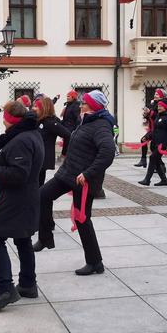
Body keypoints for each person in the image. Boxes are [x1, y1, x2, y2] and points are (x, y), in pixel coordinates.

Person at [35, 90, 116, 276]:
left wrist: (88, 174)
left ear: (94, 106)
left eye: (84, 103)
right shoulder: (86, 120)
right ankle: (46, 238)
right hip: (67, 174)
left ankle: (95, 262)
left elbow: (107, 153)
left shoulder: (101, 125)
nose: (81, 106)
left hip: (82, 181)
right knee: (42, 196)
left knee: (83, 220)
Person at [0, 101, 45, 312]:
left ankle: (6, 289)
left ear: (8, 119)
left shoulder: (21, 139)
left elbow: (19, 173)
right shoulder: (30, 132)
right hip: (27, 196)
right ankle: (27, 284)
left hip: (16, 198)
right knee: (22, 238)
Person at [33, 95, 70, 186]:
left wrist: (64, 153)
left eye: (36, 106)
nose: (34, 108)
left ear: (43, 108)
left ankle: (39, 198)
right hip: (37, 157)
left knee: (38, 184)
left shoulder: (50, 122)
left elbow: (68, 135)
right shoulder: (39, 120)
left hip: (43, 157)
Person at [138, 98, 167, 187]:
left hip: (164, 144)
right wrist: (147, 137)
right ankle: (164, 180)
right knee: (157, 161)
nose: (158, 107)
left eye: (160, 106)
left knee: (152, 157)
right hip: (156, 143)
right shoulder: (159, 116)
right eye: (158, 106)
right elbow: (154, 130)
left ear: (165, 107)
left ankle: (147, 180)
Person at [134, 88, 166, 168]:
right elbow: (151, 116)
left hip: (158, 129)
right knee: (150, 145)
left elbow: (159, 116)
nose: (155, 95)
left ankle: (159, 165)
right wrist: (146, 114)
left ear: (161, 96)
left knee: (152, 146)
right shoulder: (153, 103)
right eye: (155, 94)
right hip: (152, 128)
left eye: (157, 94)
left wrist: (150, 112)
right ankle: (145, 161)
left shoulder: (162, 104)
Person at [60, 90, 81, 156]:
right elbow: (65, 117)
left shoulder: (75, 106)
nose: (67, 98)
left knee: (69, 144)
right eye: (67, 96)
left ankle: (67, 156)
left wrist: (75, 130)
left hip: (71, 129)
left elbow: (77, 119)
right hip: (66, 127)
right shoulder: (68, 105)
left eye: (68, 96)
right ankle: (64, 156)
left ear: (73, 97)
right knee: (66, 143)